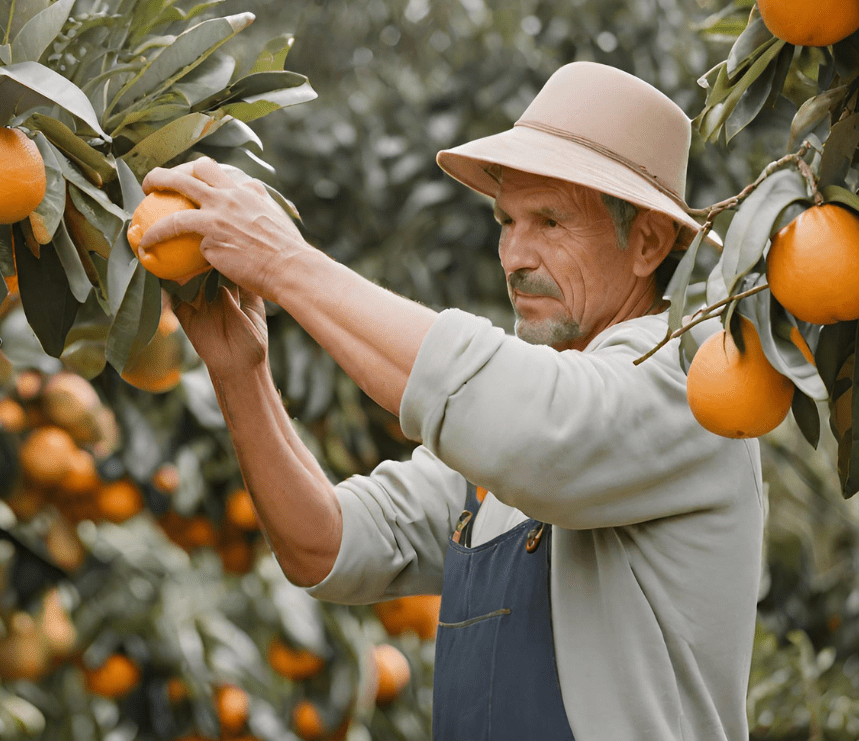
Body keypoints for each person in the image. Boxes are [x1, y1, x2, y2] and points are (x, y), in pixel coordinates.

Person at [138, 61, 762, 741]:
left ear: (646, 243)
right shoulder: (505, 439)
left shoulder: (690, 380)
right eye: (506, 220)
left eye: (550, 222)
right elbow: (324, 545)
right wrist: (239, 368)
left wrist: (285, 263)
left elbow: (533, 422)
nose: (514, 254)